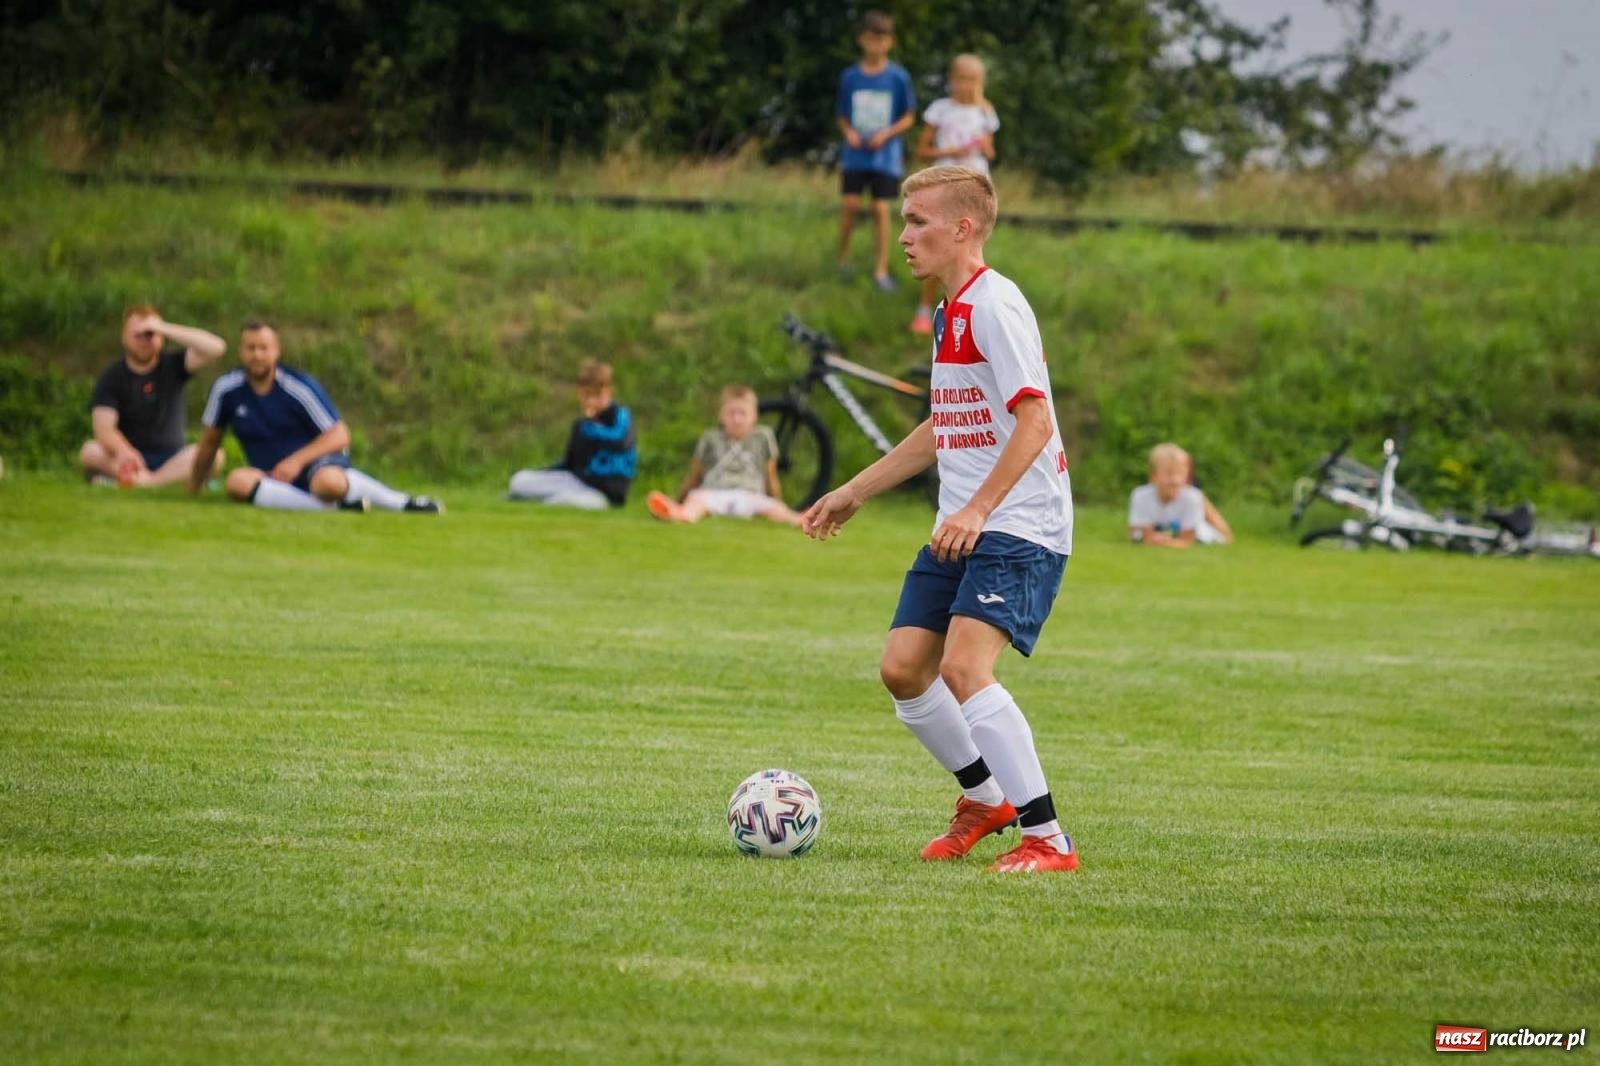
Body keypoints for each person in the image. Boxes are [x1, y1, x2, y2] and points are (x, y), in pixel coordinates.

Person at [803, 166, 1078, 874]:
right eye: (903, 221)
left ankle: (1049, 840)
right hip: (964, 523)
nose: (903, 236)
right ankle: (985, 801)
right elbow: (944, 425)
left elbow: (1036, 420)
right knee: (903, 669)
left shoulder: (994, 305)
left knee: (962, 666)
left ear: (962, 228)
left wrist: (979, 507)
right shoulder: (948, 313)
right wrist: (856, 490)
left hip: (1018, 524)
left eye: (917, 221)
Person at [187, 320, 442, 514]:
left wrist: (296, 462)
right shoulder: (226, 389)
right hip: (272, 473)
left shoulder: (298, 387)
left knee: (327, 484)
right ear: (241, 352)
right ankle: (337, 508)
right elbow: (210, 441)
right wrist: (194, 487)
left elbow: (340, 435)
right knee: (236, 483)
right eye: (250, 348)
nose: (257, 355)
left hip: (317, 465)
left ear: (276, 351)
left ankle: (401, 503)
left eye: (263, 348)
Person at [80, 305, 228, 488]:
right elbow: (104, 429)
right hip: (129, 456)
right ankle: (150, 480)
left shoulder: (175, 365)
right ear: (124, 337)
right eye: (138, 335)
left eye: (150, 334)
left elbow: (216, 348)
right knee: (90, 451)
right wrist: (125, 451)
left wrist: (163, 327)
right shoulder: (112, 376)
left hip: (173, 457)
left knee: (216, 455)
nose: (144, 341)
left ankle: (147, 482)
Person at [909, 55, 999, 335]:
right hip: (945, 189)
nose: (967, 85)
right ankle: (925, 309)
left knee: (969, 254)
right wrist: (951, 152)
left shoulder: (985, 112)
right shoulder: (940, 109)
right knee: (939, 250)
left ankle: (965, 315)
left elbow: (990, 152)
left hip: (974, 192)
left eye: (973, 80)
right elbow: (921, 150)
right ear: (951, 79)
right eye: (962, 79)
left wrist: (983, 146)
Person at [835, 10, 916, 293]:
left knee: (880, 209)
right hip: (855, 155)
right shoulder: (850, 77)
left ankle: (880, 270)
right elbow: (841, 115)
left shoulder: (898, 77)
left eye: (881, 39)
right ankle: (842, 258)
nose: (876, 45)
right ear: (861, 40)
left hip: (885, 157)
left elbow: (908, 116)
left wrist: (886, 134)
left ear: (889, 42)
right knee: (850, 205)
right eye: (871, 39)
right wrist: (848, 133)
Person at [646, 385, 803, 527]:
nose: (737, 419)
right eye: (731, 413)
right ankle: (679, 513)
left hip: (751, 494)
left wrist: (777, 501)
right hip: (714, 492)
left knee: (774, 508)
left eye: (742, 413)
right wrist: (679, 500)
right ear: (721, 415)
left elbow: (771, 476)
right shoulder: (710, 438)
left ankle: (799, 520)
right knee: (695, 500)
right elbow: (694, 476)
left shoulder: (763, 437)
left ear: (754, 415)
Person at [508, 359, 636, 510]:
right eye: (587, 395)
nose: (591, 401)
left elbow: (620, 441)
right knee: (519, 480)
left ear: (608, 391)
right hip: (576, 482)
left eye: (597, 396)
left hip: (604, 492)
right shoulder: (580, 426)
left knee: (559, 502)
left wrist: (591, 427)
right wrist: (541, 474)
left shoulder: (620, 415)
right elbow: (569, 464)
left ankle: (547, 498)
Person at [1128, 442, 1230, 546]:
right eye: (1168, 473)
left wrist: (1165, 542)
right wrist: (1154, 539)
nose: (1175, 480)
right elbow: (1143, 535)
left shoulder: (1192, 497)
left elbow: (1186, 540)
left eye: (1181, 473)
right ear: (1153, 476)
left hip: (1198, 536)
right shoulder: (1140, 495)